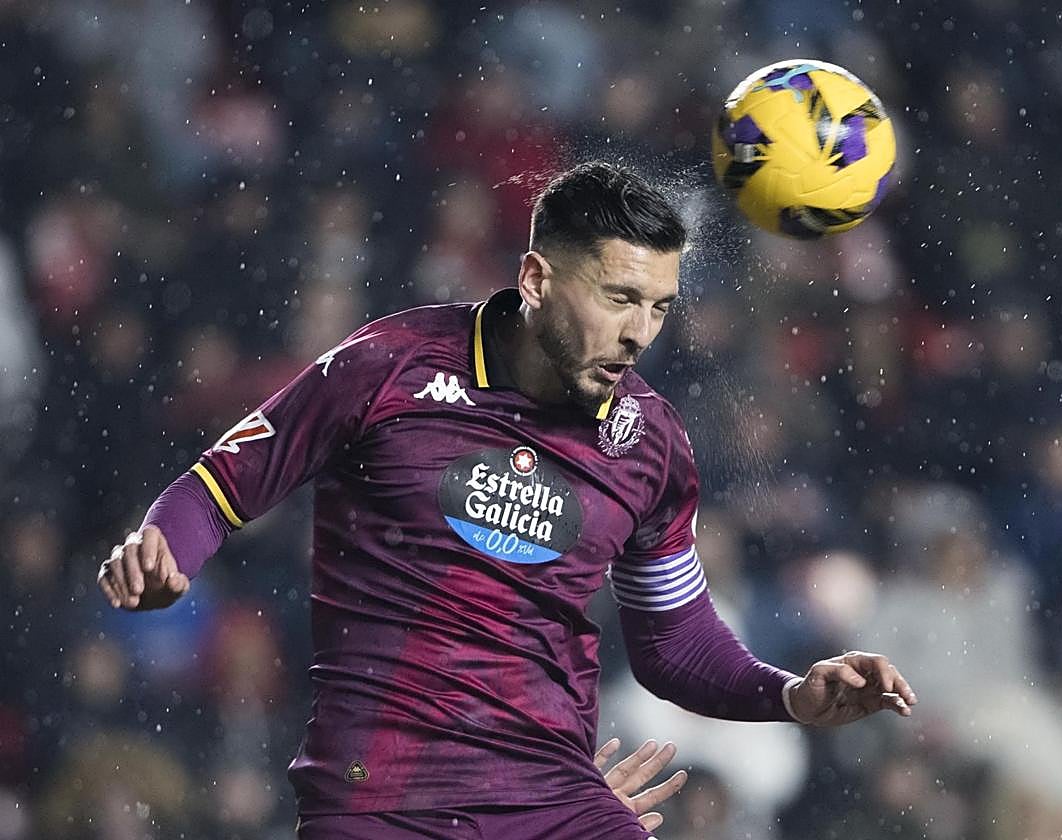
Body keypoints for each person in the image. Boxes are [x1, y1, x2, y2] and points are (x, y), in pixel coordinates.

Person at [97, 161, 918, 839]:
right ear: (535, 277)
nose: (640, 333)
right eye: (619, 298)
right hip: (380, 799)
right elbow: (216, 489)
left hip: (555, 801)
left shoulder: (649, 443)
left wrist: (788, 695)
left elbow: (673, 640)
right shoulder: (387, 366)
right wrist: (167, 555)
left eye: (660, 308)